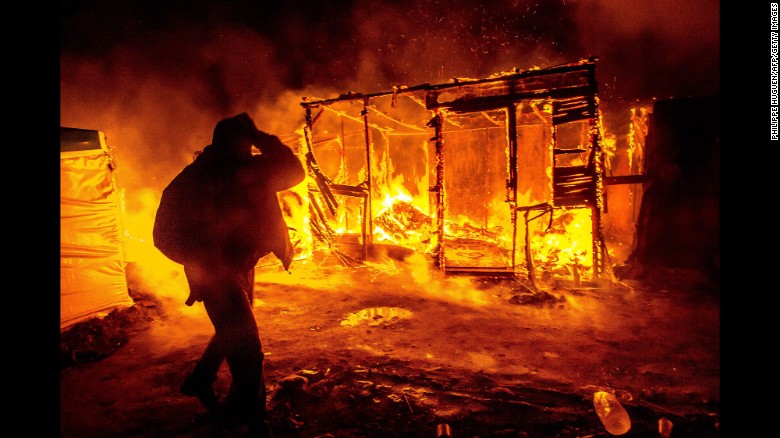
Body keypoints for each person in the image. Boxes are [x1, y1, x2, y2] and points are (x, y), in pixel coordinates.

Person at [155, 112, 305, 437]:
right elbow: (163, 235)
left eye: (252, 146)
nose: (250, 151)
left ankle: (202, 378)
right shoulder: (193, 180)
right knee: (248, 349)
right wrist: (204, 262)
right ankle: (254, 422)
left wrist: (261, 138)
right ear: (227, 146)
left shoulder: (248, 169)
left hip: (243, 265)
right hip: (216, 275)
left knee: (235, 330)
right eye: (246, 143)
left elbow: (294, 171)